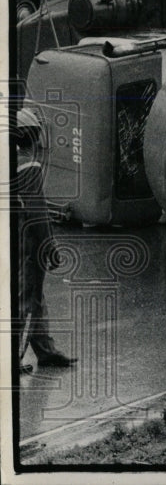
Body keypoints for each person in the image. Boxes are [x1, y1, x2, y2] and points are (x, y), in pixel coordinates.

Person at [14, 110, 77, 375]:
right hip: (29, 245)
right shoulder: (28, 165)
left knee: (35, 298)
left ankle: (46, 351)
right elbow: (38, 213)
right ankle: (12, 358)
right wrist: (51, 247)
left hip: (15, 241)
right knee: (28, 302)